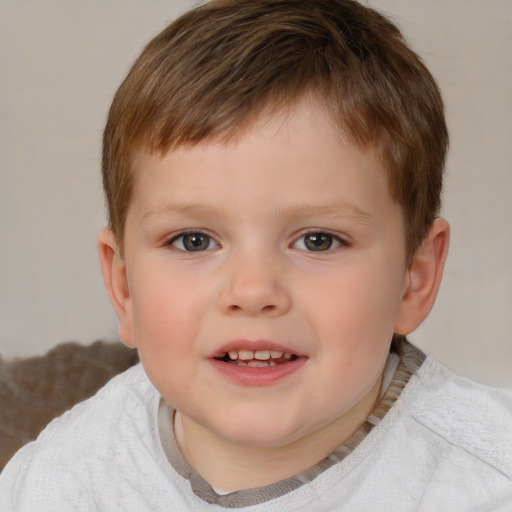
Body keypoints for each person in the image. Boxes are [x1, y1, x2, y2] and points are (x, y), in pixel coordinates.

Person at [1, 0, 511, 509]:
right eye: (193, 240)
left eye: (318, 240)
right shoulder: (61, 480)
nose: (252, 291)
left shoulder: (485, 481)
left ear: (413, 279)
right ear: (125, 287)